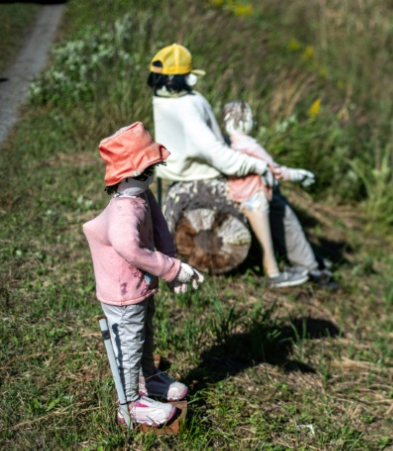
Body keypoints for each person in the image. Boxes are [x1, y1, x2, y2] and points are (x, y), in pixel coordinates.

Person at [147, 43, 309, 288]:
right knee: (273, 201)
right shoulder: (188, 105)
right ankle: (287, 267)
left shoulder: (160, 98)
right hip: (198, 174)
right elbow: (217, 155)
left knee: (271, 198)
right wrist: (257, 165)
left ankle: (300, 263)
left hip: (174, 172)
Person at [83, 122, 204, 427]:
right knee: (129, 341)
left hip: (140, 287)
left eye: (153, 169)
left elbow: (160, 228)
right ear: (126, 174)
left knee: (144, 335)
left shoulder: (142, 196)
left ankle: (148, 379)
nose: (151, 177)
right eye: (145, 171)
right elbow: (131, 249)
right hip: (123, 293)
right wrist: (174, 269)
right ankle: (130, 402)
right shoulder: (125, 211)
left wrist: (171, 268)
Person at [222, 100, 333, 286]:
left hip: (239, 193)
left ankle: (302, 264)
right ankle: (280, 273)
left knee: (269, 237)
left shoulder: (228, 145)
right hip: (256, 197)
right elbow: (275, 169)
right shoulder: (250, 145)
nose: (254, 123)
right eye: (251, 118)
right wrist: (298, 174)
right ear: (242, 121)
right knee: (273, 235)